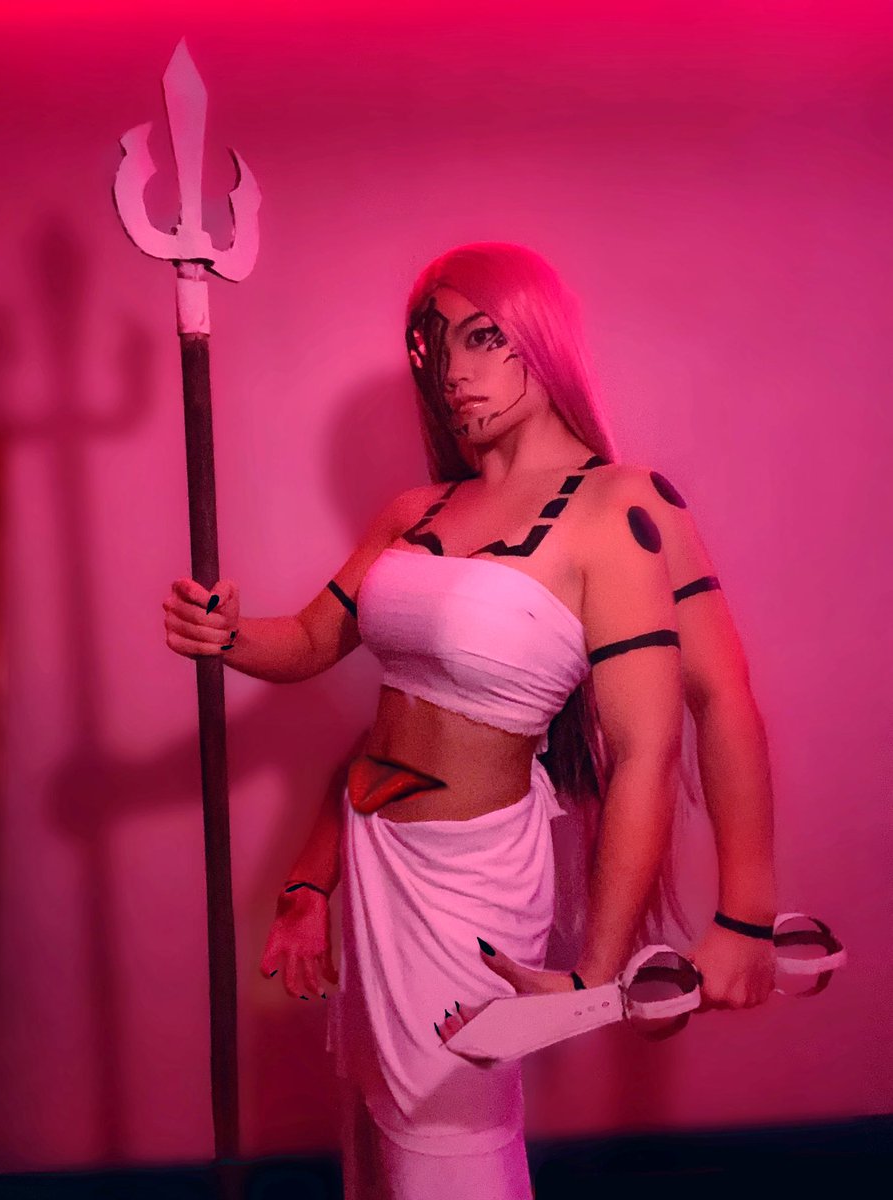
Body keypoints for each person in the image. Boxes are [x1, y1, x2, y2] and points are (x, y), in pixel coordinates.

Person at [163, 243, 778, 1199]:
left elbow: (682, 724)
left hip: (473, 880)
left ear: (543, 334)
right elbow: (314, 641)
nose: (453, 370)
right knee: (382, 1127)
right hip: (377, 866)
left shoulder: (620, 505)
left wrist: (733, 921)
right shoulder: (415, 510)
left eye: (484, 337)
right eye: (433, 345)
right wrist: (228, 634)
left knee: (449, 1142)